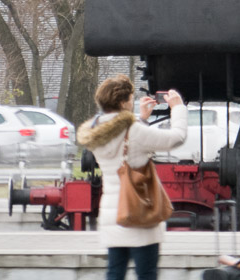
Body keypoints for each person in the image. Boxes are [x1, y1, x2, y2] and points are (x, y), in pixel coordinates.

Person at [78, 75, 188, 280]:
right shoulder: (133, 130)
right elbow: (176, 138)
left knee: (115, 273)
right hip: (139, 212)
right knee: (146, 274)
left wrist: (141, 118)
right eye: (130, 98)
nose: (132, 101)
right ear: (122, 102)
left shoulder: (96, 131)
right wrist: (178, 108)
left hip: (114, 214)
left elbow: (123, 138)